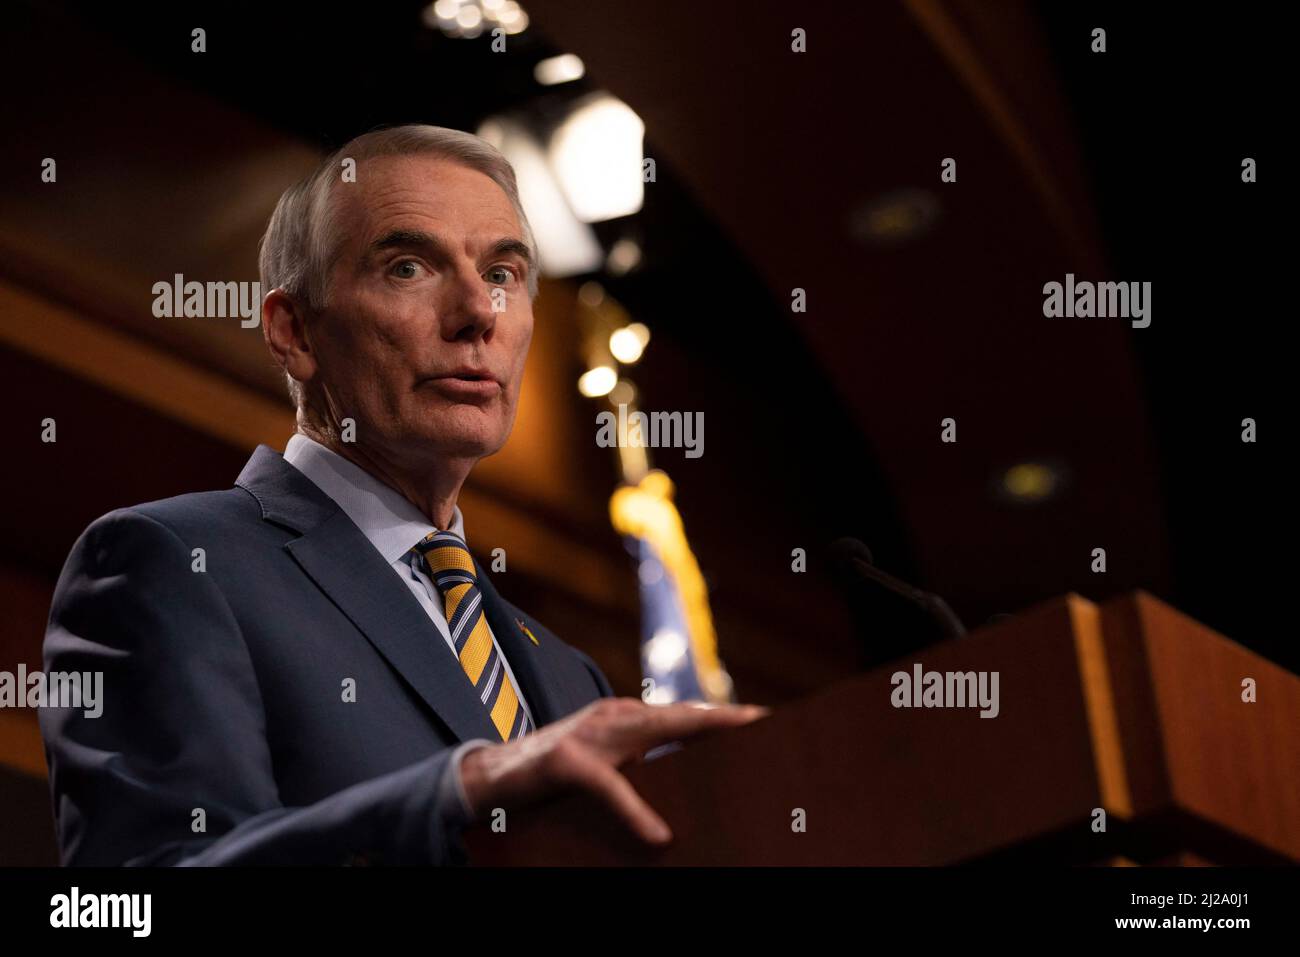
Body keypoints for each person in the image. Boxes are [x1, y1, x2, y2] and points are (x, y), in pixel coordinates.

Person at [39, 124, 766, 866]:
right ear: (293, 332)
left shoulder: (569, 677)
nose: (478, 312)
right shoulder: (172, 564)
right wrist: (461, 788)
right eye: (409, 267)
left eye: (504, 274)